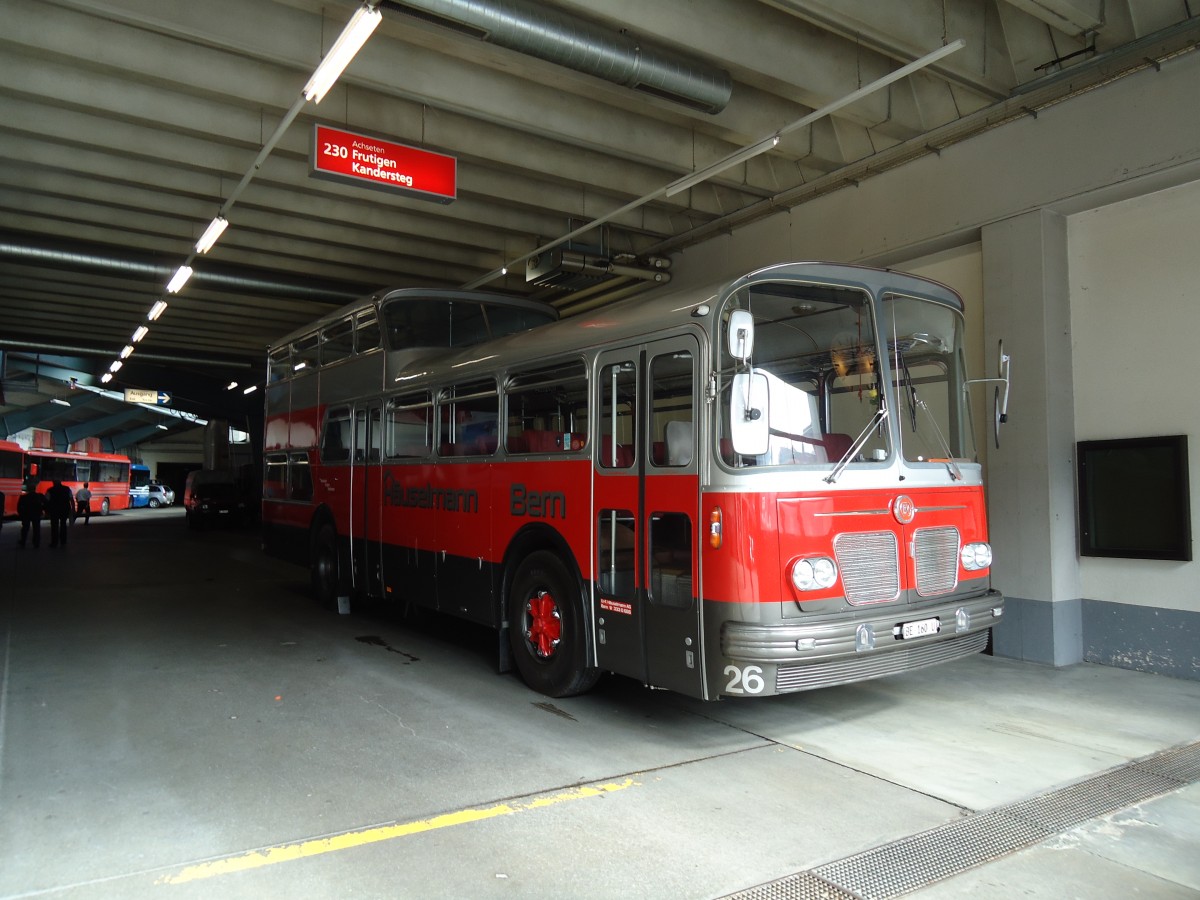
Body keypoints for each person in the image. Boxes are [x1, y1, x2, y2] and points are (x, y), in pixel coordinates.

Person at [44, 478, 74, 548]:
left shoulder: (50, 490)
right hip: (64, 509)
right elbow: (71, 499)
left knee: (54, 526)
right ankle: (63, 541)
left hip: (54, 510)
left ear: (53, 483)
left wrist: (46, 511)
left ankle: (54, 542)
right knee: (63, 525)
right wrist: (73, 509)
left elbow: (46, 501)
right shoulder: (67, 489)